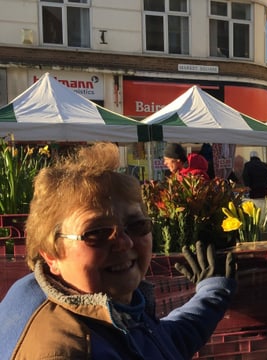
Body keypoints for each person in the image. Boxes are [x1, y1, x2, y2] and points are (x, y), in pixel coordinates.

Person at [0, 142, 237, 359]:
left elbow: (157, 343)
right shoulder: (67, 350)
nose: (124, 241)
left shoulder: (88, 302)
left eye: (137, 225)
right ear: (51, 255)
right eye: (97, 232)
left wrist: (211, 294)